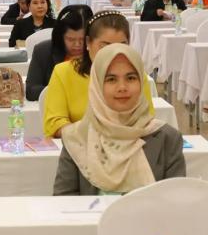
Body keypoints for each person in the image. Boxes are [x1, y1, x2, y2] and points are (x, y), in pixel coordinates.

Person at [54, 43, 185, 195]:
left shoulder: (168, 139)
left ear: (141, 83)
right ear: (97, 86)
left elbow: (176, 201)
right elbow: (64, 200)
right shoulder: (77, 137)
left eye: (131, 78)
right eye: (111, 79)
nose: (122, 87)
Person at [43, 11, 154, 138]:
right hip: (81, 145)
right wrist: (95, 134)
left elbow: (147, 118)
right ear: (88, 43)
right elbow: (54, 123)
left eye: (121, 46)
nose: (113, 54)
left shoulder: (136, 75)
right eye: (105, 47)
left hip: (130, 143)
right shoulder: (64, 72)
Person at [26, 4, 93, 101]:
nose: (77, 45)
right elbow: (31, 90)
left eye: (82, 40)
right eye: (71, 39)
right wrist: (66, 90)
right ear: (61, 36)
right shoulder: (43, 50)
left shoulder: (98, 51)